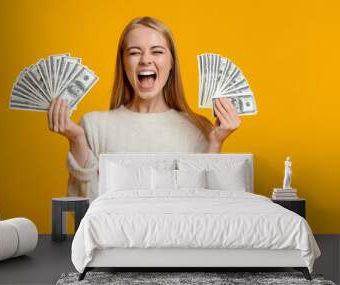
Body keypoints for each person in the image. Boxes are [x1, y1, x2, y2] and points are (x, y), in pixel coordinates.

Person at [47, 16, 240, 200]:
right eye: (134, 52)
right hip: (115, 235)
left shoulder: (199, 128)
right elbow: (86, 213)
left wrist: (215, 143)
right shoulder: (93, 125)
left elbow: (202, 209)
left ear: (171, 62)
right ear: (123, 63)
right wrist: (77, 140)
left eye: (157, 51)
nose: (146, 60)